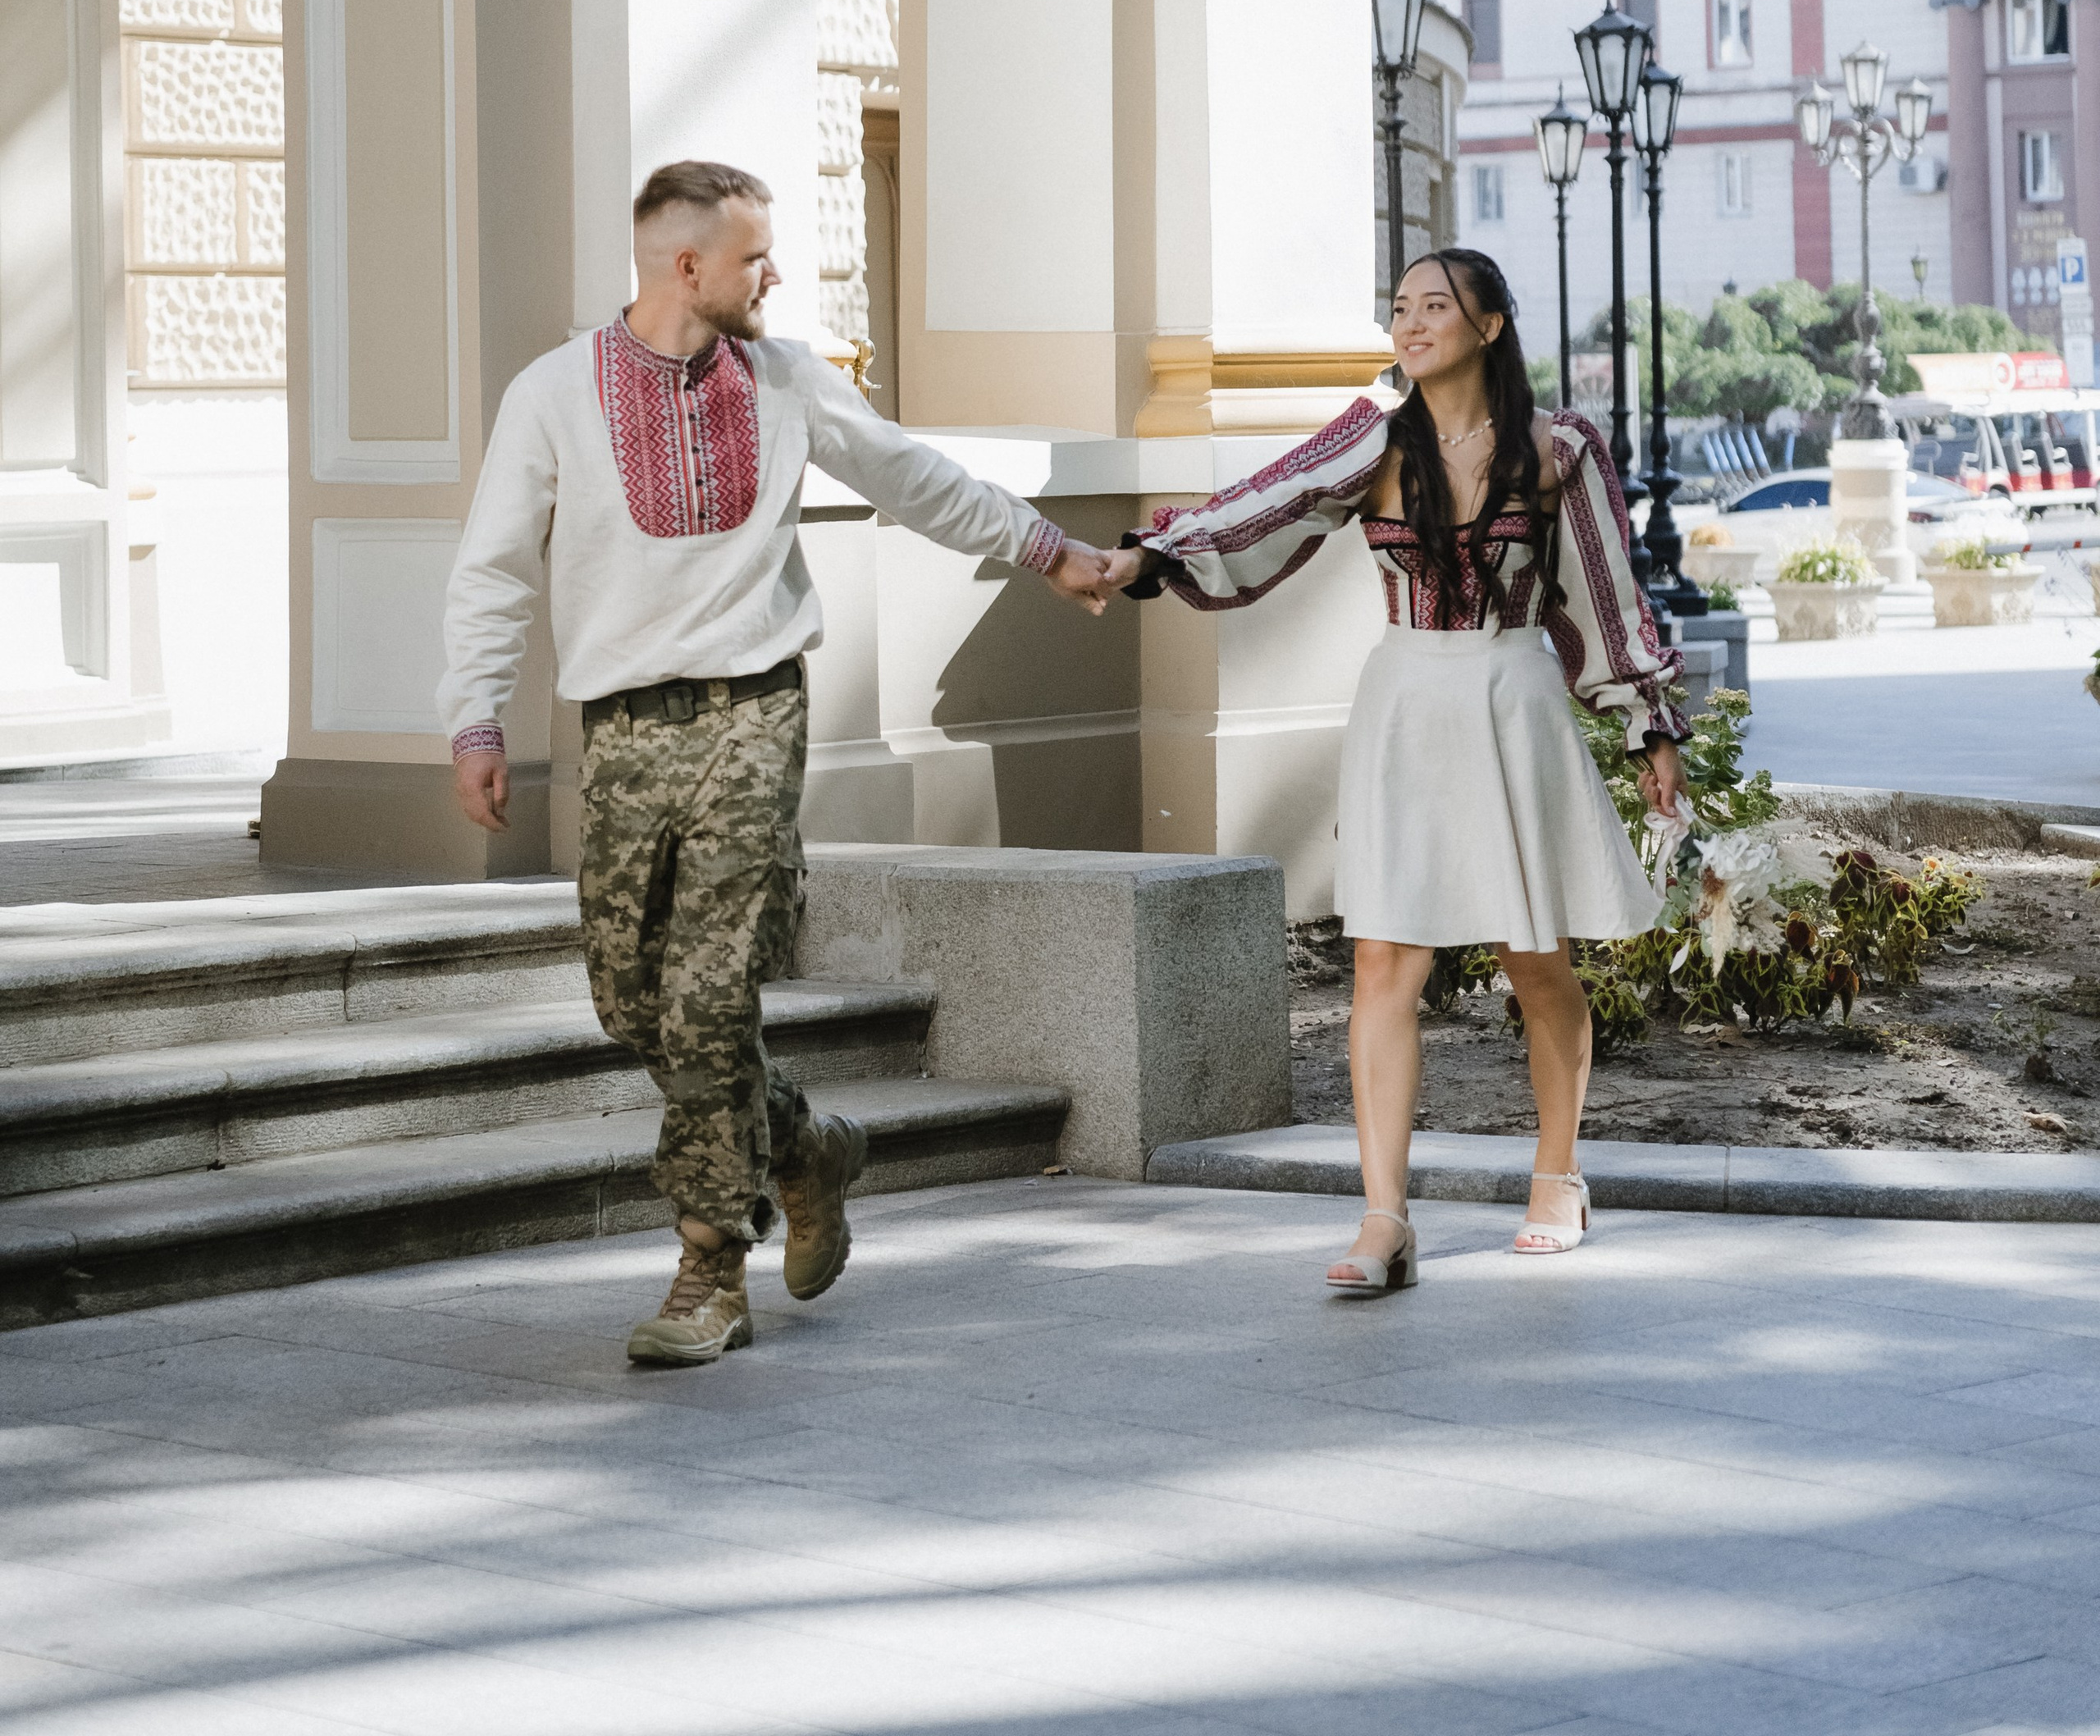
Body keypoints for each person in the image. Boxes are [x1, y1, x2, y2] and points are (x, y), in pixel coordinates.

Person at [441, 158, 1112, 1368]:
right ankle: (806, 1149)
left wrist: (1043, 546)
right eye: (756, 257)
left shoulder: (788, 378)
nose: (777, 275)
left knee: (708, 998)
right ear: (685, 266)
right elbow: (493, 567)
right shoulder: (552, 395)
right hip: (623, 732)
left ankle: (709, 1268)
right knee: (632, 1002)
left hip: (755, 710)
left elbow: (911, 474)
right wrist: (475, 721)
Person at [1102, 247, 1685, 1291]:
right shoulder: (1370, 437)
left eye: (1435, 307)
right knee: (1384, 963)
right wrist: (1152, 555)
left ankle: (1558, 1176)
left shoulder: (1558, 446)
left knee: (1534, 960)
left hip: (1512, 699)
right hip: (1405, 703)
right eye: (1400, 308)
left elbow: (1603, 588)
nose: (1410, 325)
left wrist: (1651, 725)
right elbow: (1263, 501)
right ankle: (1383, 1220)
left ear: (1490, 326)